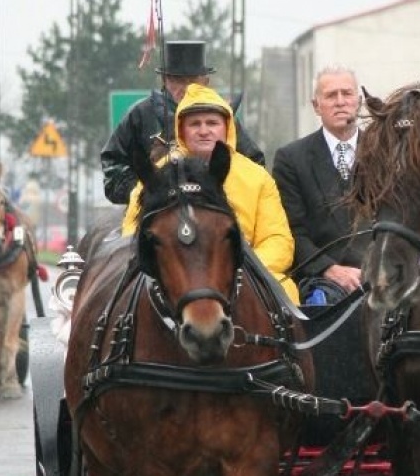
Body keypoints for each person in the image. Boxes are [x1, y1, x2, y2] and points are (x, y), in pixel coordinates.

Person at [122, 82, 299, 304]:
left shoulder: (257, 177)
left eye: (212, 123)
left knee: (287, 292)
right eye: (195, 124)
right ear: (181, 130)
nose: (204, 130)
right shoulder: (158, 175)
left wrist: (235, 267)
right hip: (174, 279)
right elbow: (131, 233)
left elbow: (278, 240)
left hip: (247, 276)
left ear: (227, 127)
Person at [101, 40, 265, 205]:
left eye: (192, 80)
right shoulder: (140, 115)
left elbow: (255, 166)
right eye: (177, 80)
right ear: (165, 81)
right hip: (152, 212)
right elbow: (112, 168)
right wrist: (147, 189)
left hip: (215, 209)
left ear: (206, 82)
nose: (186, 88)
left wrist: (219, 189)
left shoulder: (223, 117)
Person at [272, 65, 371, 301]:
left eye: (346, 94)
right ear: (317, 106)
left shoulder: (386, 153)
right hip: (322, 282)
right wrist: (330, 270)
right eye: (330, 95)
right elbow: (292, 231)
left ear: (358, 101)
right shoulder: (291, 159)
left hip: (380, 276)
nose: (340, 102)